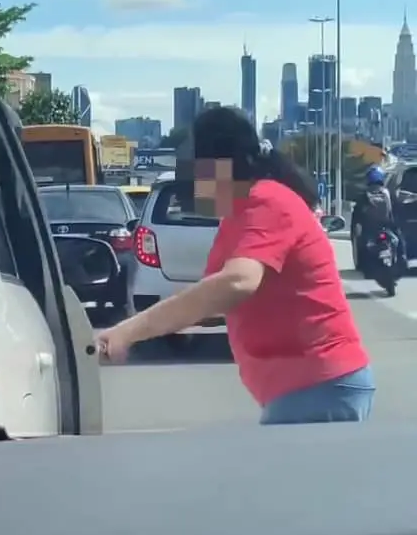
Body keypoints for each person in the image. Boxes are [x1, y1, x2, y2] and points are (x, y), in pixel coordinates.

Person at [97, 106, 375, 424]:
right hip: (309, 388)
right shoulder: (239, 215)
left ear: (216, 164)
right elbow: (211, 301)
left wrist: (128, 330)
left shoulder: (267, 202)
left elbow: (237, 282)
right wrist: (135, 337)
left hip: (319, 385)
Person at [351, 165, 406, 274]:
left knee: (362, 244)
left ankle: (364, 266)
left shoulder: (364, 195)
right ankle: (403, 258)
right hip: (386, 226)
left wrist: (356, 226)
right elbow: (395, 208)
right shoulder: (387, 193)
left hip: (370, 228)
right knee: (399, 238)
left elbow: (357, 214)